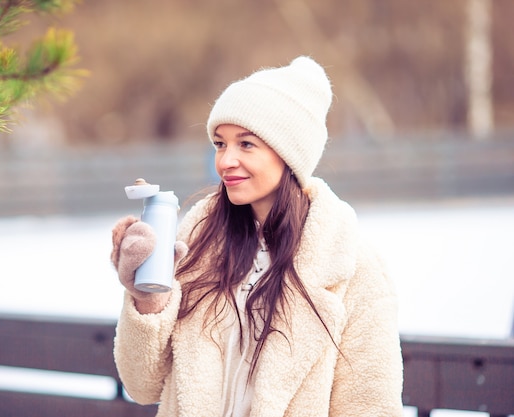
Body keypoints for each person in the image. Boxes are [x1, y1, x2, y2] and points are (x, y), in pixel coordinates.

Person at [110, 56, 404, 417]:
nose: (225, 161)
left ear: (288, 155)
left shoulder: (351, 266)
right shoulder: (196, 242)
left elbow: (371, 407)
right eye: (220, 144)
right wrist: (146, 299)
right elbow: (141, 386)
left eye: (246, 144)